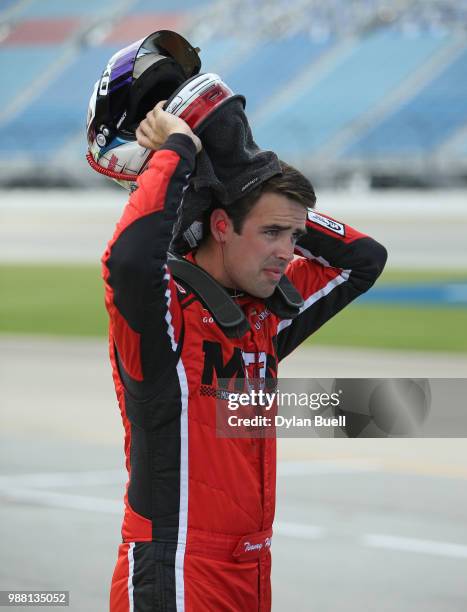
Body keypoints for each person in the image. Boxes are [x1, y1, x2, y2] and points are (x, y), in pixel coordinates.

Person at [103, 102, 387, 611]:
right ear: (220, 226)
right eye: (272, 234)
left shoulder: (266, 314)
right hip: (176, 565)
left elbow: (364, 260)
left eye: (295, 237)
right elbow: (128, 259)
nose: (289, 252)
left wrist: (242, 175)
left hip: (252, 567)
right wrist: (180, 150)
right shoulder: (164, 312)